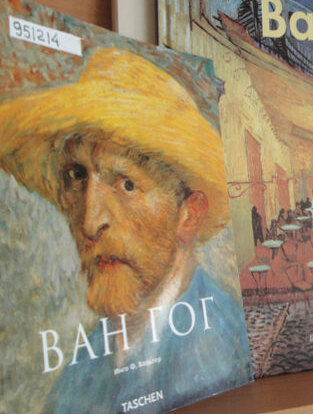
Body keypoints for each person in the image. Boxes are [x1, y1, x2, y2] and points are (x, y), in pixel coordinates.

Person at [0, 48, 251, 413]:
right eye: (76, 176)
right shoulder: (81, 369)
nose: (90, 222)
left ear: (189, 216)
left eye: (127, 185)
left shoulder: (224, 346)